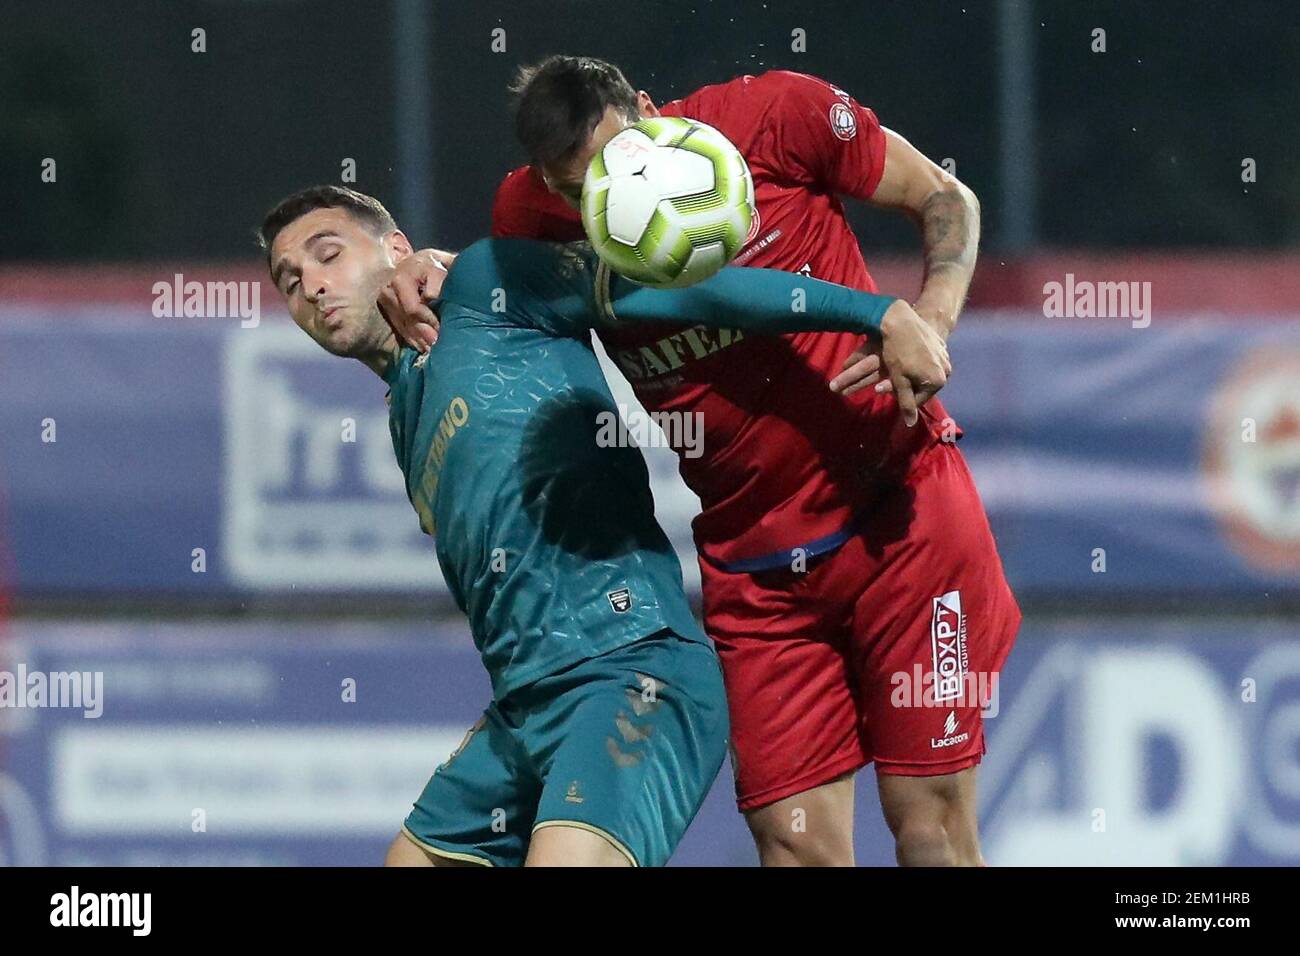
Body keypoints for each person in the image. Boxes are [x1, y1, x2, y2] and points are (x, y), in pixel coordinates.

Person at [382, 57, 1020, 867]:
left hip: (901, 516)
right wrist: (434, 264)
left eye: (618, 165)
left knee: (928, 827)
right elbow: (509, 289)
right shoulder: (529, 214)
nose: (612, 205)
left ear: (650, 110)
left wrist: (931, 314)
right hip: (757, 569)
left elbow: (944, 195)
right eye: (581, 194)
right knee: (795, 851)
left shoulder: (775, 116)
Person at [259, 184, 944, 867]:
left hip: (632, 667)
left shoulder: (482, 284)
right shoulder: (406, 414)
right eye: (291, 281)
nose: (312, 287)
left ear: (397, 248)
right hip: (523, 713)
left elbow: (684, 290)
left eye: (328, 255)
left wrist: (874, 313)